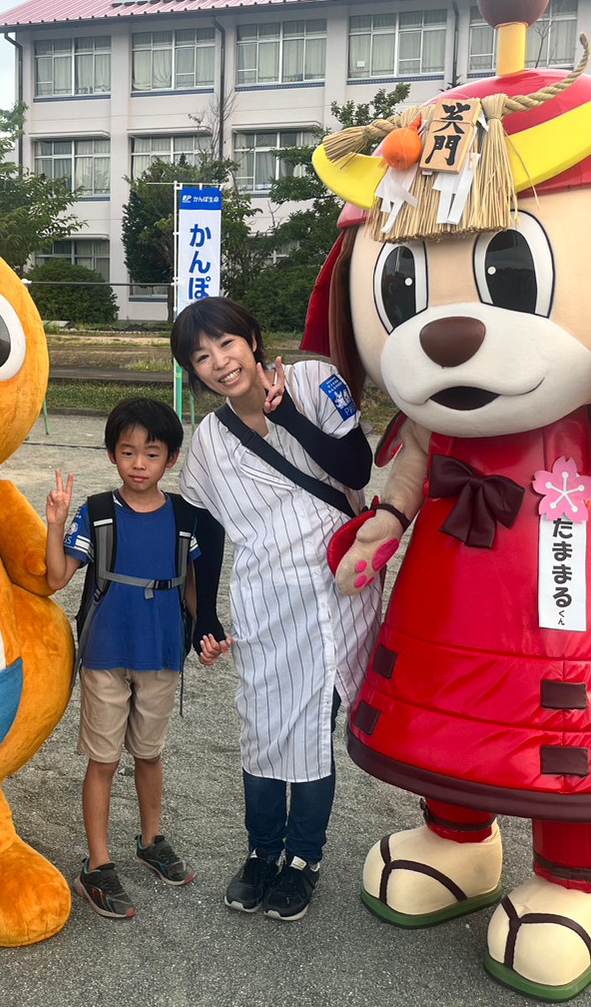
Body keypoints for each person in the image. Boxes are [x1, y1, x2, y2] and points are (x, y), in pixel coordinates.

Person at [171, 296, 382, 922]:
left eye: (226, 344)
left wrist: (286, 414)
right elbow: (207, 529)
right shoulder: (210, 442)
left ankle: (303, 860)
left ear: (252, 339)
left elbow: (356, 468)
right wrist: (205, 615)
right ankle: (262, 853)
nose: (219, 362)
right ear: (192, 371)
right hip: (265, 598)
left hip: (337, 592)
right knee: (262, 729)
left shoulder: (314, 381)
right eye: (201, 357)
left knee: (313, 728)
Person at [44, 397, 209, 920]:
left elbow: (194, 589)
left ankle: (151, 839)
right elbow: (56, 578)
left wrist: (206, 635)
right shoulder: (96, 513)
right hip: (106, 655)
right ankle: (97, 864)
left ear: (171, 459)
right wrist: (54, 524)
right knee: (104, 760)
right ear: (113, 454)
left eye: (152, 453)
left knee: (149, 754)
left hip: (161, 654)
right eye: (128, 451)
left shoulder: (184, 517)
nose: (139, 464)